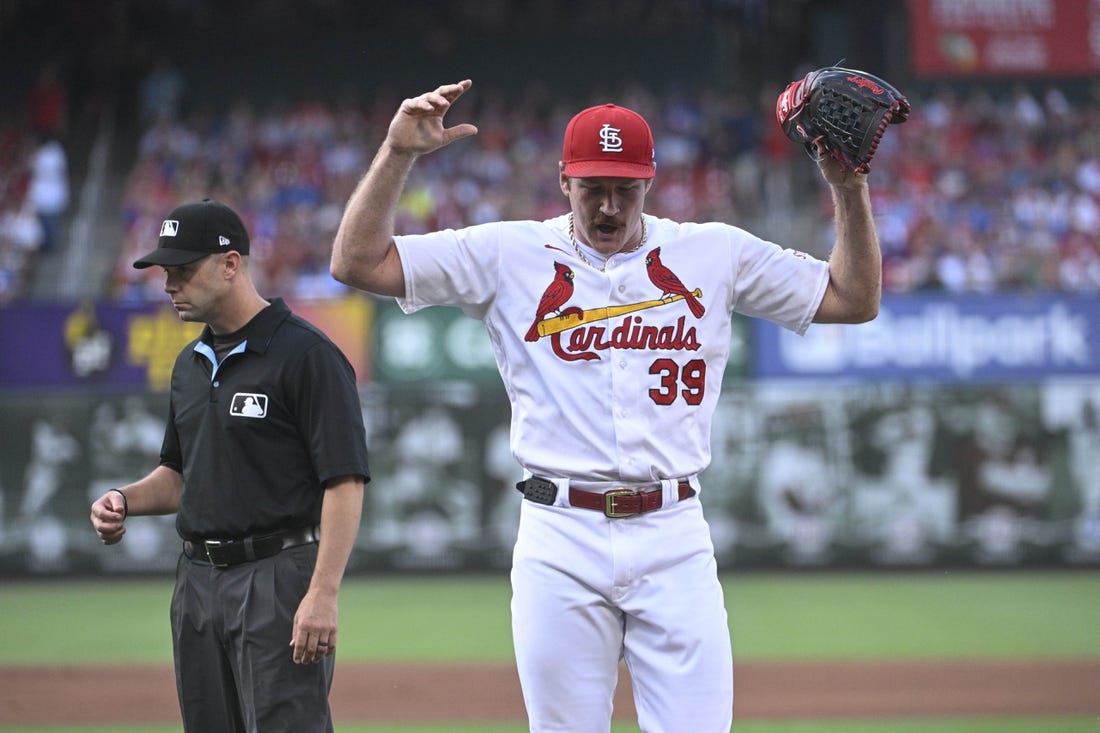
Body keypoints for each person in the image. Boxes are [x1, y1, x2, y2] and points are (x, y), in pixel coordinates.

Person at [330, 79, 882, 732]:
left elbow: (853, 298)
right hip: (559, 532)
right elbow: (357, 262)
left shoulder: (713, 251)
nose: (610, 206)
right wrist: (397, 154)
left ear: (651, 182)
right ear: (564, 181)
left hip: (673, 531)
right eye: (594, 187)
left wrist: (849, 188)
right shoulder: (509, 252)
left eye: (626, 187)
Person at [90, 198, 370, 733]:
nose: (169, 284)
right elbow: (178, 475)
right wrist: (124, 498)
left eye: (182, 270)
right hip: (196, 581)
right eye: (165, 272)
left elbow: (345, 482)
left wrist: (323, 593)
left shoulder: (307, 355)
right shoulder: (189, 364)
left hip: (277, 578)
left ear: (231, 263)